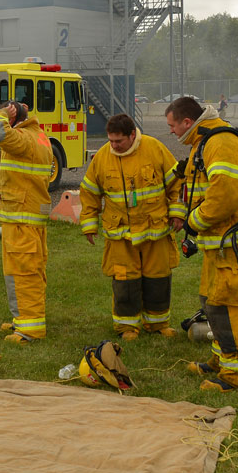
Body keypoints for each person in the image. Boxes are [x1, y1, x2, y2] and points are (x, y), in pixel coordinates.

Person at [165, 96, 238, 391]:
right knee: (213, 303)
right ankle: (223, 360)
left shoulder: (221, 142)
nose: (170, 131)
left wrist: (194, 221)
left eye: (171, 125)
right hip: (220, 244)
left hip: (236, 245)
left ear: (186, 122)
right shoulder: (204, 141)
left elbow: (225, 195)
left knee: (231, 305)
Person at [80, 113, 182, 341]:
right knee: (124, 282)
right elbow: (89, 191)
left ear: (133, 135)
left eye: (119, 141)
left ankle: (158, 324)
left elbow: (177, 183)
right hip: (121, 235)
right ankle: (127, 327)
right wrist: (89, 224)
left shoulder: (155, 148)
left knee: (158, 280)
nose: (114, 146)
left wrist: (177, 213)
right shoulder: (103, 157)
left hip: (155, 232)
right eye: (111, 140)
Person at [0, 101, 53, 344]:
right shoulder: (37, 137)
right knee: (23, 272)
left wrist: (0, 114)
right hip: (24, 217)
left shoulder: (23, 138)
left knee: (23, 273)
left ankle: (31, 329)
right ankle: (22, 320)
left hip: (22, 218)